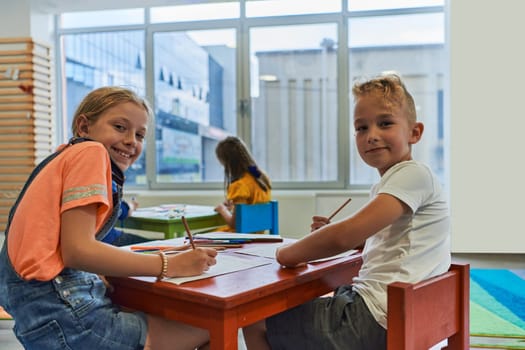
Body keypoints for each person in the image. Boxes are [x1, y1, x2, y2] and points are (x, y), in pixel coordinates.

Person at [243, 73, 451, 350]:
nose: (372, 136)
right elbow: (384, 242)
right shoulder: (400, 180)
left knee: (254, 319)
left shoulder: (411, 175)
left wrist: (286, 253)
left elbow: (343, 237)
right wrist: (333, 233)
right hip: (399, 312)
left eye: (385, 123)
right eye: (361, 128)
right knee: (313, 302)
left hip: (374, 319)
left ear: (415, 132)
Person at [0, 86, 218, 350]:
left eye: (140, 135)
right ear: (84, 126)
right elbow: (77, 250)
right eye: (119, 127)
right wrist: (169, 265)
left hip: (41, 317)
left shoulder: (64, 156)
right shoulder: (91, 153)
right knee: (211, 328)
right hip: (66, 315)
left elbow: (60, 248)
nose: (131, 141)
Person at [214, 136, 272, 232]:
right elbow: (252, 206)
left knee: (198, 237)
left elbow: (235, 224)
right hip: (258, 235)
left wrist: (222, 210)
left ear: (227, 163)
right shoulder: (262, 178)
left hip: (241, 237)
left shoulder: (239, 185)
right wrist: (234, 206)